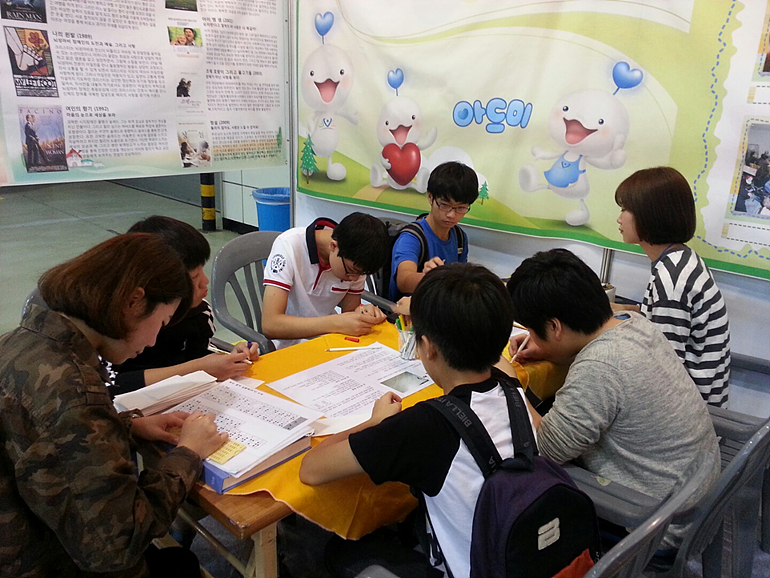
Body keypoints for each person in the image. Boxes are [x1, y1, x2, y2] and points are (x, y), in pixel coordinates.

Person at [0, 234, 228, 577]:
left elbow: (44, 441)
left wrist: (124, 425)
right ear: (134, 302)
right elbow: (118, 545)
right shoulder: (74, 392)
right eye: (161, 323)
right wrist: (189, 453)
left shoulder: (24, 341)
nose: (153, 339)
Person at [300, 263, 538, 578]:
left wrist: (374, 423)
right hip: (522, 552)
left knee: (339, 551)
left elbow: (311, 469)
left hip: (471, 568)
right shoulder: (513, 391)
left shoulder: (426, 425)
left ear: (428, 348)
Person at [506, 249, 720, 548]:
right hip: (695, 493)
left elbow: (547, 448)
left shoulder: (600, 366)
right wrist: (550, 348)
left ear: (554, 327)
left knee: (511, 481)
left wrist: (509, 382)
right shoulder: (634, 324)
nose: (531, 336)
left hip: (658, 524)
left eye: (532, 330)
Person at [615, 166, 730, 407]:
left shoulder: (671, 280)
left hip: (687, 415)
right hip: (692, 403)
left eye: (625, 209)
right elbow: (662, 319)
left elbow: (663, 371)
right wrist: (622, 309)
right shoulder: (680, 259)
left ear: (650, 215)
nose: (619, 218)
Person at [110, 216, 258, 395]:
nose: (205, 281)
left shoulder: (198, 312)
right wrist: (197, 368)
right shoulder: (122, 322)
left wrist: (230, 359)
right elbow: (112, 385)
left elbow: (197, 355)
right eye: (194, 277)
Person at [262, 212, 390, 349]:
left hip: (330, 343)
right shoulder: (289, 245)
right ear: (333, 246)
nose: (355, 278)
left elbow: (350, 312)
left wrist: (363, 313)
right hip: (287, 347)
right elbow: (270, 325)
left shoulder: (354, 261)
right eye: (351, 271)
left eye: (361, 274)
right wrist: (335, 323)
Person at [388, 162, 478, 301]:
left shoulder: (460, 237)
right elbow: (404, 281)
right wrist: (430, 277)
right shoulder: (412, 237)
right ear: (430, 197)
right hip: (410, 310)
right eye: (444, 205)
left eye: (461, 208)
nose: (451, 215)